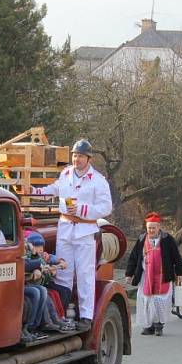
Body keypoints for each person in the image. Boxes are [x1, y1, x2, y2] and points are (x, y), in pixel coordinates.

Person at [30, 139, 113, 331]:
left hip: (85, 231)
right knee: (62, 272)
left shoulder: (98, 180)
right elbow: (53, 189)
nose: (77, 159)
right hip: (66, 228)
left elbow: (106, 207)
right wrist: (34, 191)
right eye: (75, 155)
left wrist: (82, 209)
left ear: (88, 158)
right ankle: (61, 313)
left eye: (81, 156)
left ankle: (86, 316)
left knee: (85, 274)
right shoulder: (66, 173)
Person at [125, 212, 182, 336]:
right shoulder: (141, 239)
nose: (151, 230)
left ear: (158, 227)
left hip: (163, 276)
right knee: (146, 300)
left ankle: (159, 325)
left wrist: (179, 272)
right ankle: (148, 326)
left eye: (153, 227)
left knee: (159, 301)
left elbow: (176, 257)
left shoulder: (167, 239)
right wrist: (129, 274)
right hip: (146, 276)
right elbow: (134, 257)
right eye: (149, 228)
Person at [25, 232, 67, 331]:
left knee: (62, 292)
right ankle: (46, 322)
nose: (39, 249)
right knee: (47, 295)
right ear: (30, 246)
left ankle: (58, 318)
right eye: (36, 246)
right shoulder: (28, 256)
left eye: (41, 246)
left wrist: (60, 262)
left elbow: (51, 258)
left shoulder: (43, 256)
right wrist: (38, 269)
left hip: (42, 283)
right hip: (32, 284)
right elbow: (29, 265)